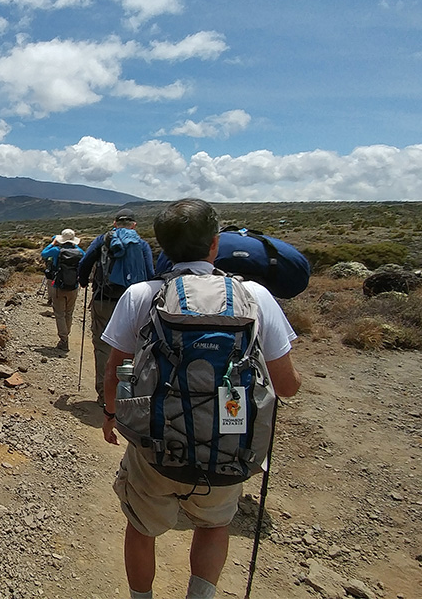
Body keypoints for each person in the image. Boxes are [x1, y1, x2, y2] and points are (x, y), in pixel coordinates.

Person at [99, 199, 302, 599]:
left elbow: (114, 370)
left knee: (141, 526)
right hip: (230, 435)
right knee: (213, 524)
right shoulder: (254, 296)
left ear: (161, 247)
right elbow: (287, 385)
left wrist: (111, 413)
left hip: (155, 440)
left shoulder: (142, 294)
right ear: (215, 245)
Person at [77, 208, 154, 405]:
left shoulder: (103, 240)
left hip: (105, 299)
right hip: (134, 304)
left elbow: (85, 262)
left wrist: (84, 280)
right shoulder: (141, 244)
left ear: (115, 223)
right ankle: (128, 395)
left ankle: (105, 396)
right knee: (134, 348)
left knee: (103, 346)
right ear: (134, 225)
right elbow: (151, 273)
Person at [41, 229, 84, 351]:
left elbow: (44, 254)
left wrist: (52, 243)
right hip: (74, 287)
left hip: (58, 287)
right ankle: (66, 334)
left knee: (59, 314)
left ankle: (64, 340)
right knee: (69, 313)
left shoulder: (56, 251)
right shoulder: (80, 251)